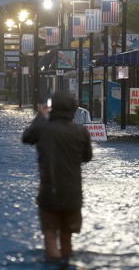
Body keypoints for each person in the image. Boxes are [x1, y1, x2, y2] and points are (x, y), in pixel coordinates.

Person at [22, 91, 93, 261]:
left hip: (49, 191)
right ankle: (66, 269)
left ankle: (53, 269)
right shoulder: (81, 131)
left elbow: (27, 137)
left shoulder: (44, 129)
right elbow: (87, 157)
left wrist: (40, 116)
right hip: (73, 194)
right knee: (67, 237)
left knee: (50, 234)